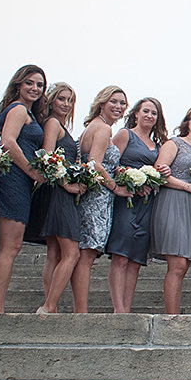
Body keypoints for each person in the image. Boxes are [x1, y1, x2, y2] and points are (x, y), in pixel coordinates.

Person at [0, 64, 47, 314]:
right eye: (29, 83)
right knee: (9, 247)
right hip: (12, 178)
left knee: (12, 246)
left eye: (39, 85)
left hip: (19, 180)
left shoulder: (28, 112)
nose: (35, 88)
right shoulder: (19, 109)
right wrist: (32, 170)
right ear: (18, 85)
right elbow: (8, 142)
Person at [26, 82, 86, 314]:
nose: (66, 104)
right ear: (50, 100)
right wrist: (67, 185)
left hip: (55, 192)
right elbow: (47, 158)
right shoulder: (52, 123)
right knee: (72, 253)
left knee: (55, 252)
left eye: (70, 100)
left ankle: (50, 305)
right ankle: (49, 305)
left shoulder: (60, 125)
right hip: (56, 192)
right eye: (61, 98)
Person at [151, 104, 191, 316]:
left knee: (183, 266)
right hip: (174, 202)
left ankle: (174, 313)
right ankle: (171, 317)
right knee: (177, 264)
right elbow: (159, 173)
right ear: (187, 122)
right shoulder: (174, 143)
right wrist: (189, 186)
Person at [72, 86, 130, 314]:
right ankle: (81, 311)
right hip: (97, 195)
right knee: (87, 253)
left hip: (97, 192)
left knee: (87, 253)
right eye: (113, 102)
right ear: (102, 103)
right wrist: (115, 186)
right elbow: (95, 163)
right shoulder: (103, 128)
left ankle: (80, 309)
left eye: (122, 103)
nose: (118, 107)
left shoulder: (93, 127)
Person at [105, 97, 165, 315]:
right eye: (146, 111)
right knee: (121, 256)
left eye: (154, 113)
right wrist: (128, 181)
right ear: (137, 113)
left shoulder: (158, 145)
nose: (150, 116)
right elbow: (111, 165)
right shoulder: (124, 135)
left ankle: (127, 308)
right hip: (126, 199)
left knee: (136, 260)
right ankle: (118, 309)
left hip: (147, 204)